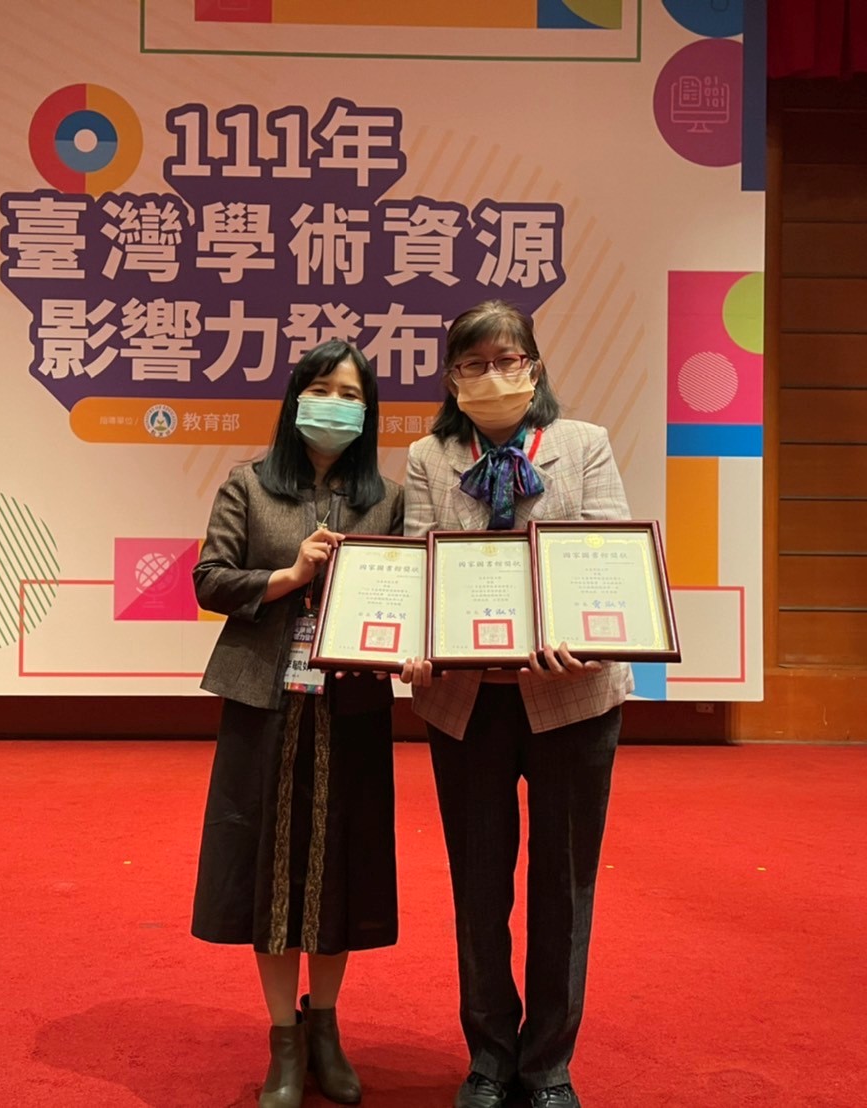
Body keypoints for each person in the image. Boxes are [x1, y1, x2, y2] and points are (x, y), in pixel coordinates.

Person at [400, 301, 632, 1108]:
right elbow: (420, 566)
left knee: (564, 886)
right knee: (479, 885)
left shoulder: (583, 444)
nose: (492, 376)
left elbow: (608, 556)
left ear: (534, 367)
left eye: (507, 360)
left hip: (574, 696)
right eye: (474, 363)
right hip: (466, 704)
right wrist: (413, 642)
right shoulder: (428, 457)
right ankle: (490, 1058)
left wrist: (591, 639)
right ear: (452, 377)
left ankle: (548, 1066)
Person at [192, 339, 404, 1108]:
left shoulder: (386, 497)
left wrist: (414, 642)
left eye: (352, 394)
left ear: (368, 412)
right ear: (295, 399)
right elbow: (209, 580)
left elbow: (408, 591)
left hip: (351, 708)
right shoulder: (248, 484)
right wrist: (290, 575)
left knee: (341, 867)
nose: (336, 405)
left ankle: (327, 1028)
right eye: (323, 389)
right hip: (266, 703)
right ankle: (283, 1038)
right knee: (269, 869)